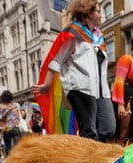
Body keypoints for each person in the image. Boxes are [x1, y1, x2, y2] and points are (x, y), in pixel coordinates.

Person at [32, 0, 115, 141]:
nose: (101, 16)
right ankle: (89, 162)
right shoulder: (72, 34)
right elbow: (56, 60)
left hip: (101, 91)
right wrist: (46, 85)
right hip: (80, 87)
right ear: (87, 13)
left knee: (108, 128)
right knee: (89, 131)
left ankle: (99, 159)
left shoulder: (98, 38)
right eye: (98, 11)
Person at [0, 90, 21, 155]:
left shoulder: (1, 106)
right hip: (16, 128)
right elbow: (18, 116)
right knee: (17, 146)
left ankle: (9, 160)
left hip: (7, 129)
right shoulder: (16, 105)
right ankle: (16, 160)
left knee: (8, 146)